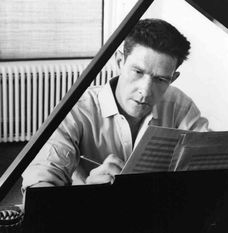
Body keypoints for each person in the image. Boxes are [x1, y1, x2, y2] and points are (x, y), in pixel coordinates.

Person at [22, 18, 209, 190]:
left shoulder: (181, 107)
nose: (145, 91)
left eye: (160, 79)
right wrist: (84, 194)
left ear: (173, 78)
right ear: (120, 61)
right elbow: (40, 182)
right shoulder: (76, 109)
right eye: (137, 71)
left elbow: (210, 167)